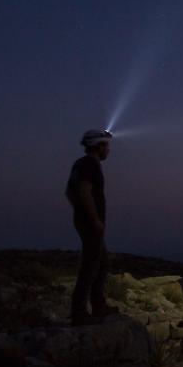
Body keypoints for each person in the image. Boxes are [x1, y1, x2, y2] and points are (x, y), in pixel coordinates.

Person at [65, 129, 120, 326]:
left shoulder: (80, 164)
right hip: (90, 223)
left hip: (84, 221)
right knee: (91, 266)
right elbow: (84, 191)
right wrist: (94, 219)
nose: (109, 150)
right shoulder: (90, 164)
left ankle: (98, 305)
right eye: (106, 145)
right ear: (99, 146)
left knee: (102, 263)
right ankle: (79, 312)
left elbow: (70, 192)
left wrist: (79, 212)